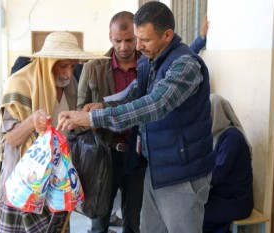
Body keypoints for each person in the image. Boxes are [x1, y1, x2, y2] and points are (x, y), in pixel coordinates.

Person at [57, 2, 215, 233]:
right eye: (135, 38)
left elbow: (154, 105)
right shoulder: (152, 61)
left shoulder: (185, 65)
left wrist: (94, 118)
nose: (137, 46)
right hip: (157, 167)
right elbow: (133, 93)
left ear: (167, 35)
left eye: (143, 40)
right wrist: (98, 106)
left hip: (183, 173)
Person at [0, 31, 108, 233]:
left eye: (73, 66)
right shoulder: (20, 84)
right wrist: (32, 121)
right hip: (24, 189)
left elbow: (69, 130)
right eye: (63, 65)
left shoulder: (70, 84)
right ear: (48, 62)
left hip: (57, 186)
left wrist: (83, 118)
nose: (68, 73)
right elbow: (11, 139)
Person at [77, 11, 146, 233]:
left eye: (130, 40)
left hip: (138, 153)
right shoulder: (92, 69)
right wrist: (91, 119)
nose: (124, 46)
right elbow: (80, 112)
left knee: (134, 220)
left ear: (137, 36)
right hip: (104, 153)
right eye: (118, 40)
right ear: (110, 37)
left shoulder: (148, 67)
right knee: (100, 219)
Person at [203, 94, 254, 233]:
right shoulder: (217, 137)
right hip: (224, 196)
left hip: (236, 201)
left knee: (196, 212)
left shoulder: (232, 138)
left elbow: (218, 174)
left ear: (216, 113)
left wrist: (197, 177)